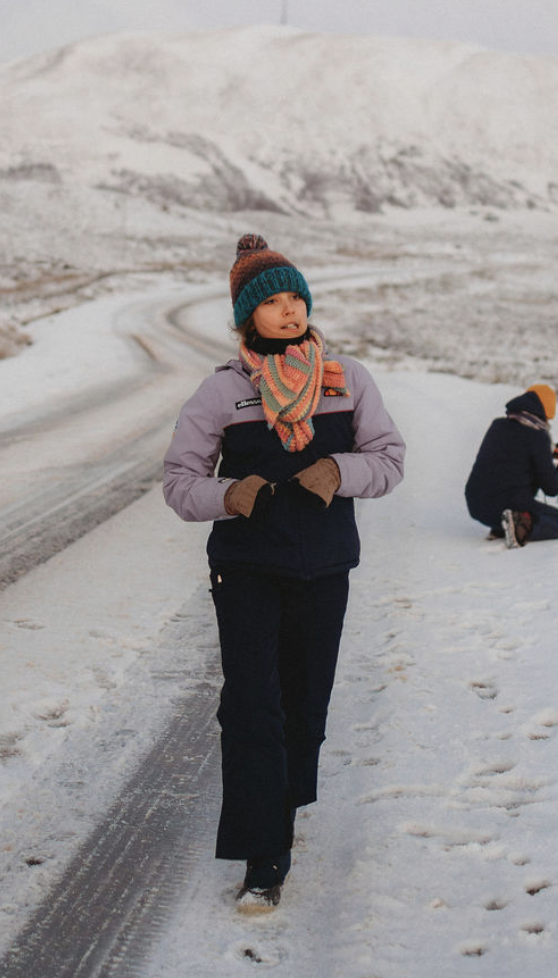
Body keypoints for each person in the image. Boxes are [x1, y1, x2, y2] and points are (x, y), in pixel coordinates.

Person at [162, 234, 406, 912]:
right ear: (247, 317)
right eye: (274, 302)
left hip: (324, 571)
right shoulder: (223, 393)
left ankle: (280, 801)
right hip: (245, 570)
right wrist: (227, 494)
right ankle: (266, 856)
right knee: (252, 707)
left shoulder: (346, 378)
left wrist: (340, 471)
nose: (291, 311)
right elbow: (179, 481)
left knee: (303, 706)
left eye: (298, 297)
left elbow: (388, 459)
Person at [463, 384, 558, 547]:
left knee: (507, 492)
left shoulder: (498, 425)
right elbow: (552, 488)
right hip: (508, 506)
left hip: (476, 505)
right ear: (547, 409)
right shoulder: (538, 437)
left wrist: (547, 454)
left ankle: (500, 527)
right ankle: (520, 527)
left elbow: (513, 457)